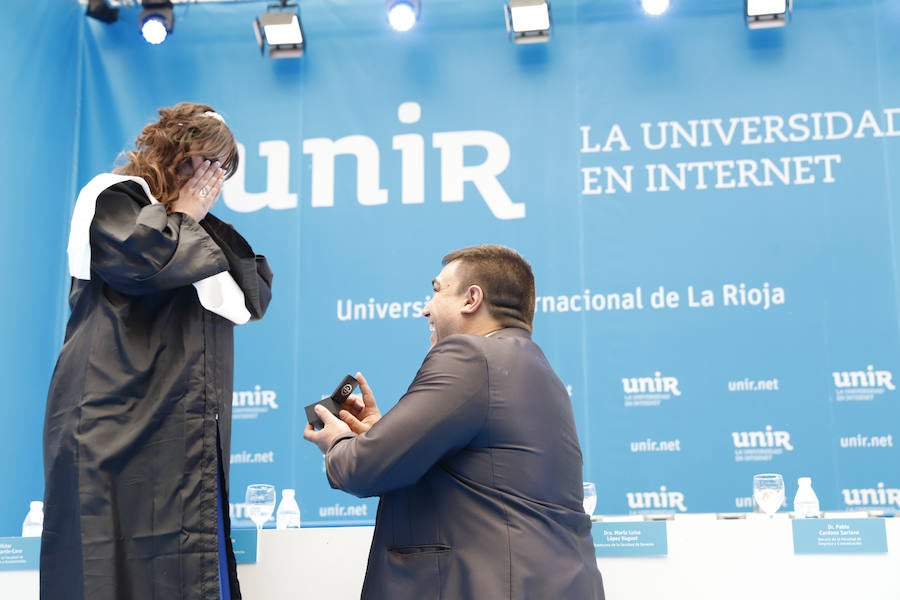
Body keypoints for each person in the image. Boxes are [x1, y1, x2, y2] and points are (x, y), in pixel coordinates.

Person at [41, 102, 273, 600]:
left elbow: (251, 293)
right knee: (106, 566)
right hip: (109, 423)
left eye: (220, 169)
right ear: (171, 151)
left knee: (189, 566)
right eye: (201, 161)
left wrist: (189, 219)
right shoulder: (111, 198)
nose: (208, 179)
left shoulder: (197, 231)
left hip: (180, 435)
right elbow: (142, 261)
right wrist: (185, 215)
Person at [304, 244, 604, 599]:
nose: (425, 308)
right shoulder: (537, 369)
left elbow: (365, 467)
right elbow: (484, 478)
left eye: (436, 291)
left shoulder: (469, 356)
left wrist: (338, 443)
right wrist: (380, 435)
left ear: (471, 299)